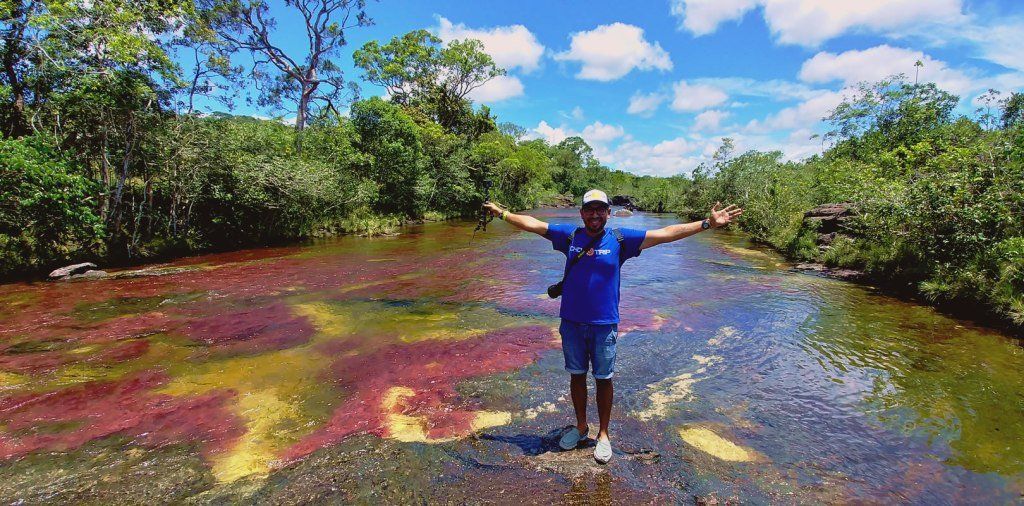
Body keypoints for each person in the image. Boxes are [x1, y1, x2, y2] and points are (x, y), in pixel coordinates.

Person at [482, 189, 742, 464]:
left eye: (600, 209)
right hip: (571, 322)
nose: (595, 214)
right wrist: (503, 213)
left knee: (604, 379)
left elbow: (667, 233)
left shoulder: (621, 240)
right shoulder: (569, 236)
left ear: (608, 212)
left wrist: (707, 224)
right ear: (582, 213)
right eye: (589, 209)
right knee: (576, 375)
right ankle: (582, 427)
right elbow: (534, 224)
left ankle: (603, 434)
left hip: (604, 324)